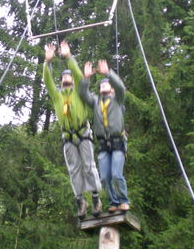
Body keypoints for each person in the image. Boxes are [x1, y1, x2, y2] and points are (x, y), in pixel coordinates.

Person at [43, 41, 102, 219]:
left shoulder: (79, 92)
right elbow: (47, 81)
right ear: (61, 81)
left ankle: (95, 198)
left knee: (89, 166)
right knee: (74, 169)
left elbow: (78, 74)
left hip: (83, 133)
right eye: (63, 77)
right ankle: (80, 200)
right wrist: (47, 63)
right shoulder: (57, 95)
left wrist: (68, 57)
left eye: (68, 76)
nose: (66, 78)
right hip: (68, 137)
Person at [78, 59, 130, 213]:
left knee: (116, 174)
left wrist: (108, 73)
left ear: (112, 89)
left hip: (118, 142)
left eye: (106, 84)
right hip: (103, 144)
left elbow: (121, 87)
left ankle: (123, 200)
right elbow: (83, 93)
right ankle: (114, 201)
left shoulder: (118, 100)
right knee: (104, 177)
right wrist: (86, 78)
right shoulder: (96, 101)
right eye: (101, 85)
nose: (103, 86)